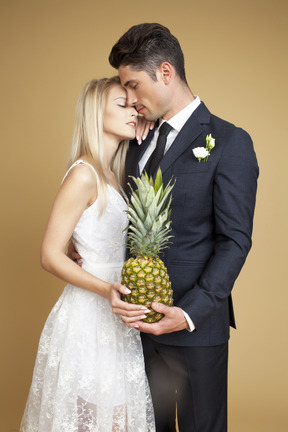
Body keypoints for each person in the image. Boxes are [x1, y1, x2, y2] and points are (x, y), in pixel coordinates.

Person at [107, 23, 259, 432]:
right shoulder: (135, 141)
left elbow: (234, 241)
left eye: (135, 86)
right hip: (135, 328)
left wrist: (189, 313)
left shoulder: (230, 142)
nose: (130, 100)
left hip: (194, 328)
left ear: (167, 72)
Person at [20, 76, 155, 432]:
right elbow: (49, 254)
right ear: (96, 114)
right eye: (122, 105)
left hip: (116, 312)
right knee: (93, 419)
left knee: (117, 420)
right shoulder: (84, 174)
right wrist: (105, 290)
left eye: (134, 105)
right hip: (89, 315)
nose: (134, 111)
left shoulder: (113, 174)